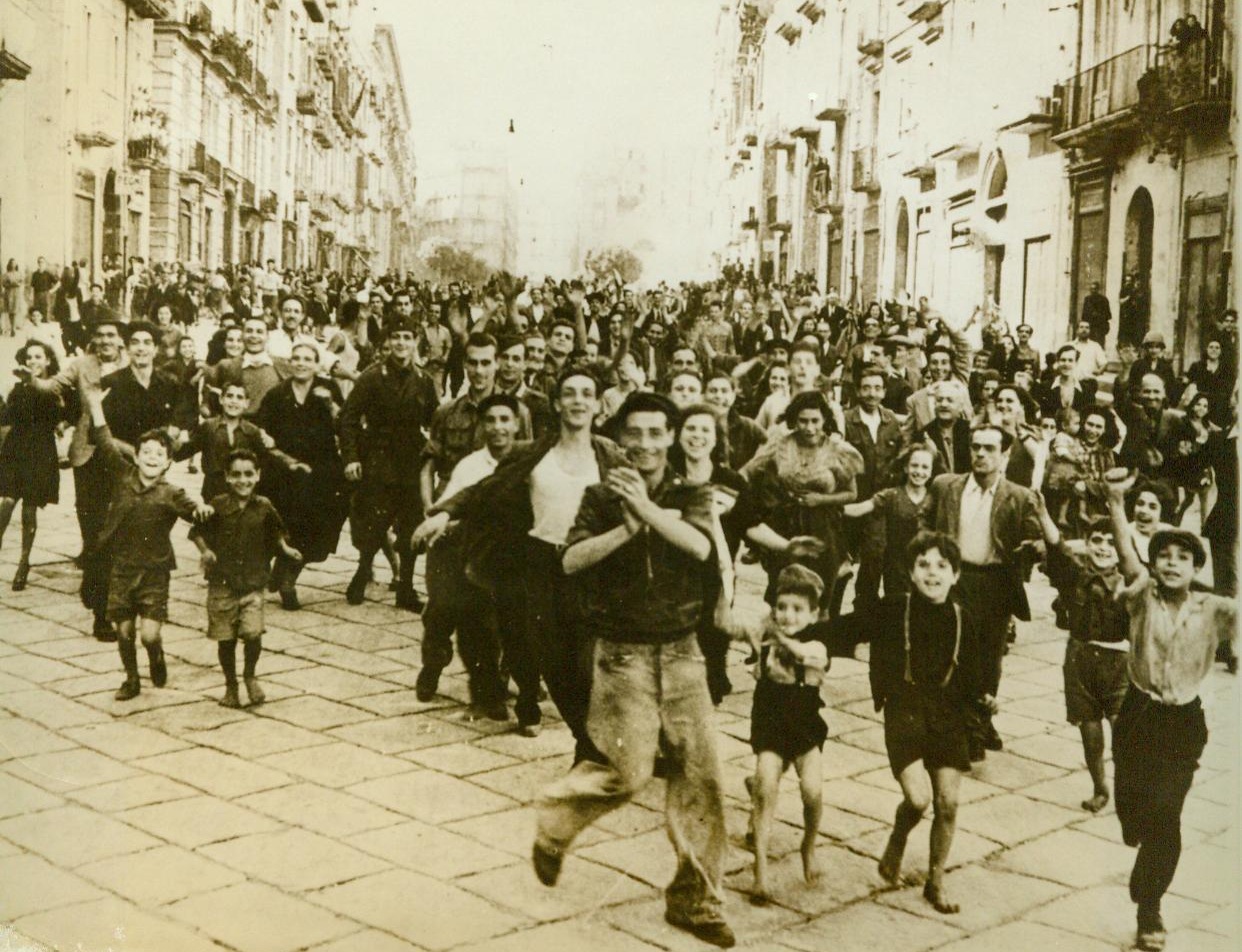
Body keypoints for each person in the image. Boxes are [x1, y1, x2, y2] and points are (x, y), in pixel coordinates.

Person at [532, 391, 735, 950]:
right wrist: (625, 528)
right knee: (627, 774)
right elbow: (571, 561)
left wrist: (646, 512)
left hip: (683, 652)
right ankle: (554, 826)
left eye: (656, 433)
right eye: (635, 434)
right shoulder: (600, 496)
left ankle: (696, 898)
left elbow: (698, 548)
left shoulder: (693, 493)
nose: (646, 445)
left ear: (671, 437)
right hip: (621, 654)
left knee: (703, 778)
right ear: (620, 439)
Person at [427, 367, 625, 752]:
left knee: (585, 663)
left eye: (587, 393)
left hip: (589, 568)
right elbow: (483, 490)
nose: (578, 400)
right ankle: (581, 738)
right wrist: (444, 512)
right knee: (549, 660)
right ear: (556, 402)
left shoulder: (610, 454)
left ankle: (591, 744)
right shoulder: (534, 452)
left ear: (599, 404)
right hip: (539, 565)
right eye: (570, 393)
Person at [1104, 471, 1236, 952]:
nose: (1173, 563)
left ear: (1195, 566)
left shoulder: (1215, 608)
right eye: (1165, 555)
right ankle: (1133, 823)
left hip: (1183, 722)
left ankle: (1150, 908)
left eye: (1183, 557)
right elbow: (1125, 556)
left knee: (1167, 815)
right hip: (1137, 715)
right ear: (1154, 563)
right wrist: (1116, 505)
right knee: (1133, 810)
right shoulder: (1141, 595)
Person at [833, 532, 993, 915]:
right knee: (919, 799)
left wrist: (985, 698)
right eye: (923, 565)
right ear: (910, 572)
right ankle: (899, 835)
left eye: (942, 566)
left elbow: (973, 673)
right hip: (904, 711)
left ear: (955, 576)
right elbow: (848, 627)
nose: (932, 573)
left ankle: (935, 881)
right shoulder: (894, 609)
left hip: (948, 716)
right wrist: (802, 633)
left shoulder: (961, 617)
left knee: (948, 803)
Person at [80, 381, 210, 701]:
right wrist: (96, 407)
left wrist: (204, 509)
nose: (152, 457)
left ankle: (156, 655)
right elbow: (106, 441)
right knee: (124, 632)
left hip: (154, 571)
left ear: (168, 462)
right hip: (121, 569)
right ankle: (131, 678)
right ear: (136, 457)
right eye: (146, 452)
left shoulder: (171, 493)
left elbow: (195, 511)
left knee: (149, 634)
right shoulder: (123, 476)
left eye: (159, 454)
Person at [726, 565, 845, 905]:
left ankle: (808, 844)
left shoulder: (818, 643)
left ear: (814, 614)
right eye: (782, 608)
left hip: (805, 726)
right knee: (766, 785)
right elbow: (755, 665)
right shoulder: (768, 638)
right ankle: (760, 869)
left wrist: (780, 639)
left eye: (797, 609)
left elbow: (808, 656)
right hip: (770, 723)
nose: (787, 615)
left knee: (812, 791)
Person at [922, 424, 1042, 760]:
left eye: (989, 448)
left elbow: (1035, 540)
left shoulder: (1018, 496)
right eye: (975, 447)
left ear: (1004, 454)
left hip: (995, 584)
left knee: (988, 659)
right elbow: (924, 522)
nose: (980, 455)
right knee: (954, 652)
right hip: (955, 580)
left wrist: (1033, 546)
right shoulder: (948, 486)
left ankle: (979, 724)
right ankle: (960, 727)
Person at [410, 393, 522, 720]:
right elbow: (451, 507)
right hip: (462, 549)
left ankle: (492, 690)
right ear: (482, 426)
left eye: (505, 420)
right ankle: (432, 664)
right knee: (442, 613)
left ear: (516, 424)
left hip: (504, 557)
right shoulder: (470, 466)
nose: (498, 427)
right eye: (490, 420)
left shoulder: (527, 461)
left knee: (495, 622)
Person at [341, 315, 440, 611]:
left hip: (411, 462)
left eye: (407, 338)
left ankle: (406, 588)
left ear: (415, 342)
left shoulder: (423, 381)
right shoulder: (372, 377)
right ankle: (362, 572)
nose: (401, 343)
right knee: (373, 523)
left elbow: (436, 422)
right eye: (396, 337)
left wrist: (434, 459)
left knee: (410, 527)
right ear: (387, 342)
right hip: (378, 459)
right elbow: (347, 418)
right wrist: (352, 457)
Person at [1036, 502, 1130, 812]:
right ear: (1087, 544)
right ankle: (1100, 787)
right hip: (1079, 662)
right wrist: (1044, 515)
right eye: (1096, 541)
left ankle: (1130, 787)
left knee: (1123, 733)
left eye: (1111, 542)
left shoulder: (1130, 583)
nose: (1103, 548)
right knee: (1090, 733)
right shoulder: (1074, 575)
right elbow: (1057, 548)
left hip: (1119, 665)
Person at [190, 449, 301, 709]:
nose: (243, 480)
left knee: (252, 633)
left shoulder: (264, 506)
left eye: (249, 474)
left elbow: (276, 532)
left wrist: (285, 549)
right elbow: (197, 532)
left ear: (258, 475)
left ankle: (250, 675)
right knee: (225, 638)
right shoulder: (217, 505)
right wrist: (205, 551)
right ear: (227, 477)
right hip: (222, 583)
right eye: (236, 475)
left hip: (253, 581)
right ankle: (231, 684)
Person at [742, 390, 862, 617]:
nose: (809, 427)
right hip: (785, 525)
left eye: (815, 421)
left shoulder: (838, 450)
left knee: (819, 592)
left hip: (823, 528)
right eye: (803, 421)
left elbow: (851, 494)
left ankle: (816, 647)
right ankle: (770, 650)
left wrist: (820, 500)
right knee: (782, 589)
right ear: (794, 420)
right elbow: (749, 470)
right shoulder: (780, 445)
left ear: (825, 419)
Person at [255, 343, 349, 610]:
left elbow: (345, 424)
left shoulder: (328, 389)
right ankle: (287, 583)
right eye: (296, 358)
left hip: (322, 469)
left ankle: (287, 569)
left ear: (317, 363)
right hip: (285, 471)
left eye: (308, 359)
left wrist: (330, 405)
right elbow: (262, 431)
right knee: (288, 525)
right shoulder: (277, 394)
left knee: (320, 528)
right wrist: (283, 457)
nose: (301, 363)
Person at [0, 341, 70, 590]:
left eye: (38, 357)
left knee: (29, 508)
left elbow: (60, 422)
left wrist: (62, 414)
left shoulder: (54, 390)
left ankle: (23, 562)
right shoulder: (17, 389)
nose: (33, 361)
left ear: (48, 361)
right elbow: (6, 419)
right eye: (28, 357)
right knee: (6, 503)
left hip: (40, 453)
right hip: (15, 450)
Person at [843, 444, 937, 603]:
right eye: (914, 465)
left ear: (932, 471)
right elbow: (861, 508)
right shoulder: (892, 496)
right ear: (906, 467)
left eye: (925, 467)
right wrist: (831, 507)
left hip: (925, 566)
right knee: (896, 609)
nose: (919, 471)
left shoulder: (934, 499)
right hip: (896, 567)